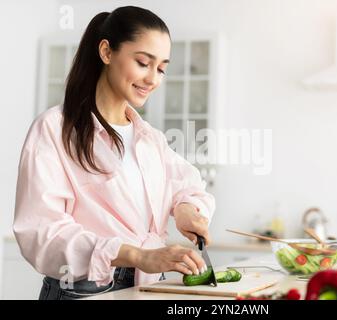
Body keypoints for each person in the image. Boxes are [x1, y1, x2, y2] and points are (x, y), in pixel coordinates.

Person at [13, 6, 215, 300]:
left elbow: (188, 185)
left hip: (148, 285)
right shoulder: (54, 129)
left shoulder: (151, 139)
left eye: (161, 68)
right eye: (143, 63)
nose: (153, 79)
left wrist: (185, 209)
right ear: (106, 52)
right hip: (85, 290)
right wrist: (136, 255)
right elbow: (41, 233)